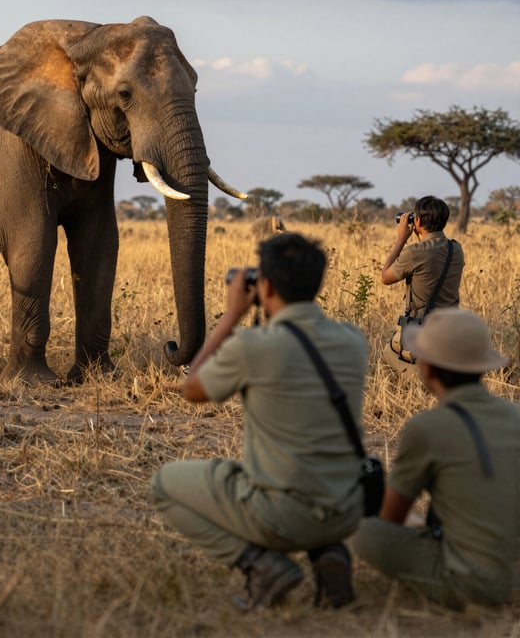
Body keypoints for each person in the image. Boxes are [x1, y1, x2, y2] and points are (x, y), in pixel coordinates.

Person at [151, 233, 369, 611]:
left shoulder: (255, 347)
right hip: (347, 508)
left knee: (164, 485)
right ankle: (329, 551)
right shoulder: (353, 340)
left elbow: (192, 389)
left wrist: (231, 317)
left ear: (264, 285)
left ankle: (264, 566)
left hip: (282, 515)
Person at [352, 308, 518, 610]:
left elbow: (390, 517)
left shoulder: (427, 427)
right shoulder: (515, 414)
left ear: (426, 367)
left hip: (474, 584)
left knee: (362, 531)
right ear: (483, 365)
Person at [381, 196, 464, 373]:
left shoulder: (414, 253)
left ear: (416, 220)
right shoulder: (456, 249)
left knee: (386, 356)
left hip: (423, 333)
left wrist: (401, 239)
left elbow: (385, 277)